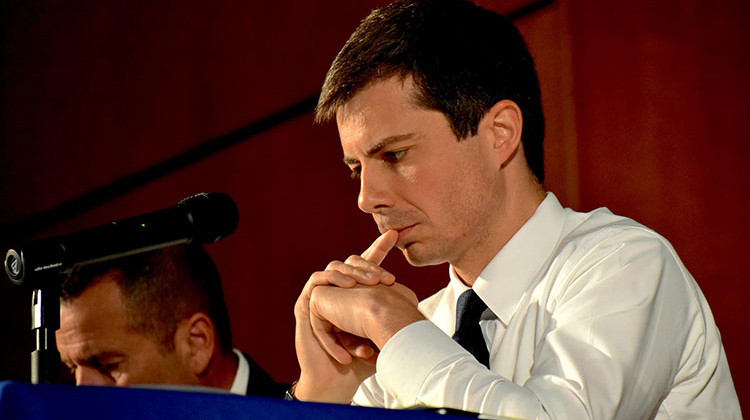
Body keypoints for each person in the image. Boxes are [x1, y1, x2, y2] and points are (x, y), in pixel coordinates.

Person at [291, 0, 742, 418]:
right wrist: (321, 395)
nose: (366, 198)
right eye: (357, 168)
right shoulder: (415, 330)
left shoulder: (625, 264)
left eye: (394, 155)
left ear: (501, 133)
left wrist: (397, 331)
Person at [56, 243, 286, 398]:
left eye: (108, 366)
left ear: (196, 343)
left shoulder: (306, 413)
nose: (81, 392)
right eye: (71, 370)